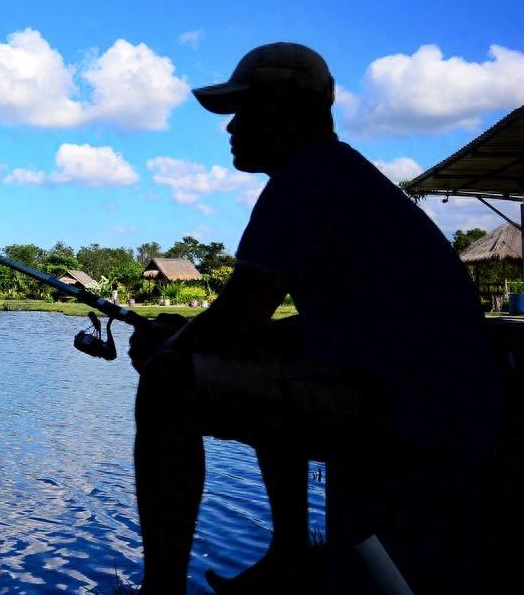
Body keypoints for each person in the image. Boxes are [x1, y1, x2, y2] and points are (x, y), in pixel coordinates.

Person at [126, 43, 502, 594]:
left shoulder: (306, 180)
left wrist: (171, 347)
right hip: (443, 403)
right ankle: (290, 552)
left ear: (290, 108)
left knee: (166, 385)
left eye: (245, 110)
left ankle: (161, 588)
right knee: (260, 352)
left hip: (413, 413)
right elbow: (300, 328)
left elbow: (235, 319)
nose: (231, 127)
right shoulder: (341, 175)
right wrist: (189, 336)